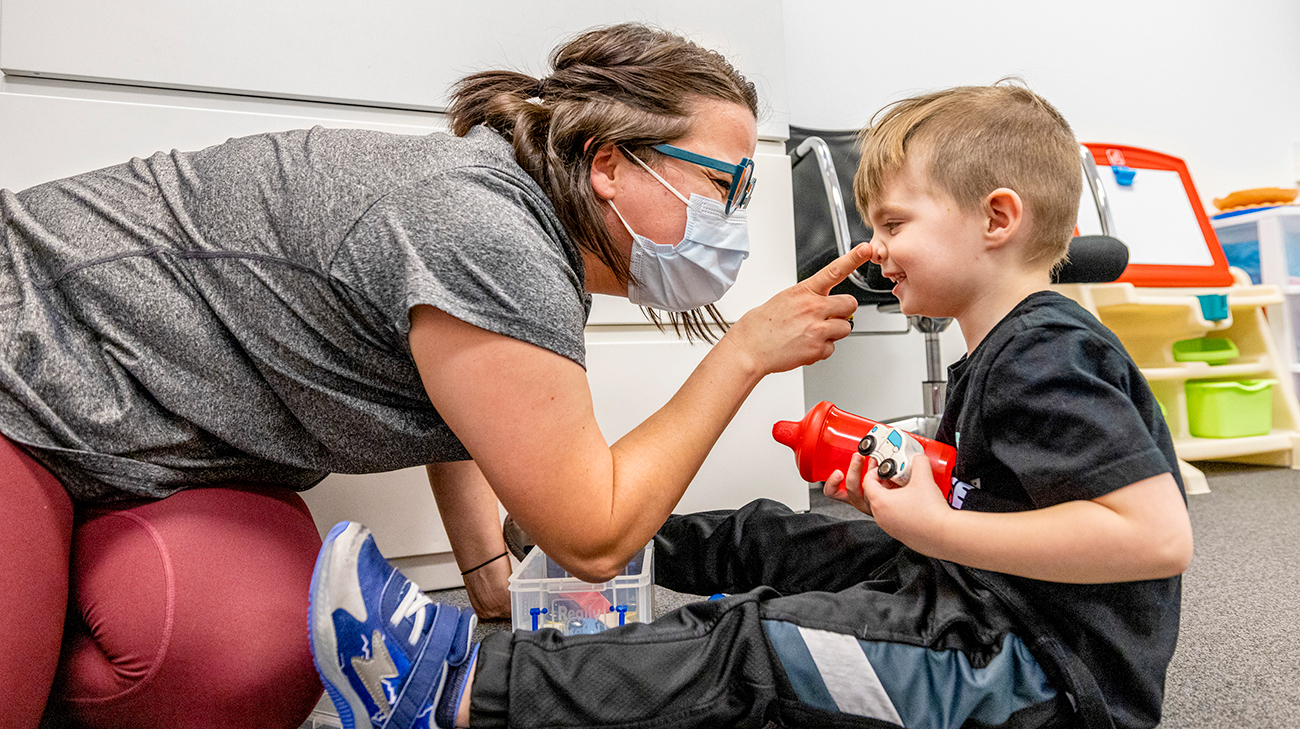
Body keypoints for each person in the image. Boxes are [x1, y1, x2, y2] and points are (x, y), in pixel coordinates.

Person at [0, 23, 871, 729]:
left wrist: (487, 573)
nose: (733, 219)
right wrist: (745, 351)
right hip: (32, 370)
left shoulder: (509, 215)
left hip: (161, 444)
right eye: (723, 184)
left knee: (247, 655)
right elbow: (595, 536)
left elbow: (458, 399)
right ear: (609, 163)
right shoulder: (491, 232)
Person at [309, 82, 1193, 729]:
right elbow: (1013, 495)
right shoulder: (1008, 348)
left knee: (756, 642)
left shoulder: (1049, 354)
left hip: (1032, 673)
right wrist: (917, 492)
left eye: (893, 224)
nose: (876, 248)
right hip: (983, 595)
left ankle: (455, 689)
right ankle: (610, 547)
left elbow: (1153, 536)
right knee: (789, 533)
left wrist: (937, 528)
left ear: (996, 218)